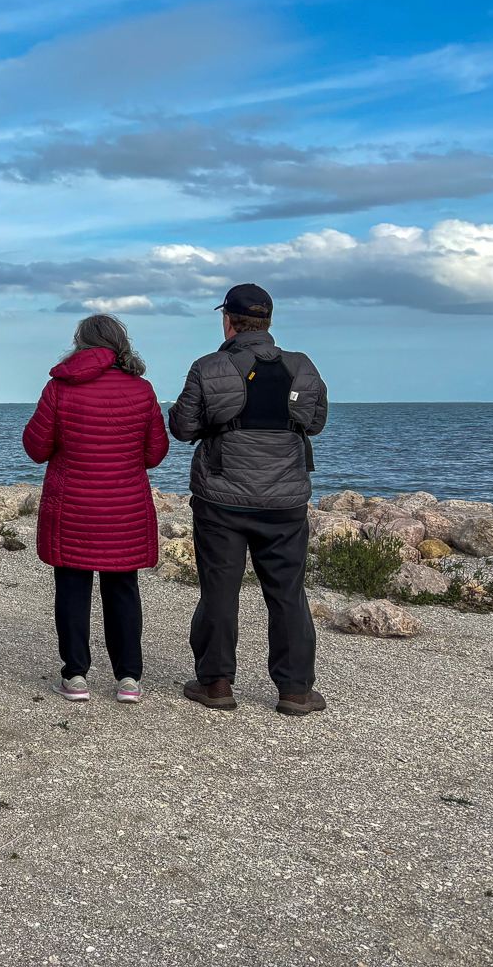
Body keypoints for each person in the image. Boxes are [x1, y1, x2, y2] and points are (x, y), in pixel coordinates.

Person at [168, 284, 329, 716]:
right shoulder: (303, 367)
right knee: (288, 594)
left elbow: (182, 429)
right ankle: (295, 690)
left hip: (221, 499)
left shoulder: (208, 367)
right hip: (285, 500)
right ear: (268, 321)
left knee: (220, 590)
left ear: (228, 321)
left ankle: (216, 683)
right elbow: (315, 423)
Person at [21, 315, 168, 704]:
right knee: (122, 590)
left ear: (80, 344)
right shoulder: (142, 390)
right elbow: (155, 453)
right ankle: (128, 679)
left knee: (72, 589)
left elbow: (36, 449)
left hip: (72, 508)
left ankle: (75, 676)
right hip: (125, 509)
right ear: (122, 344)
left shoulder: (60, 388)